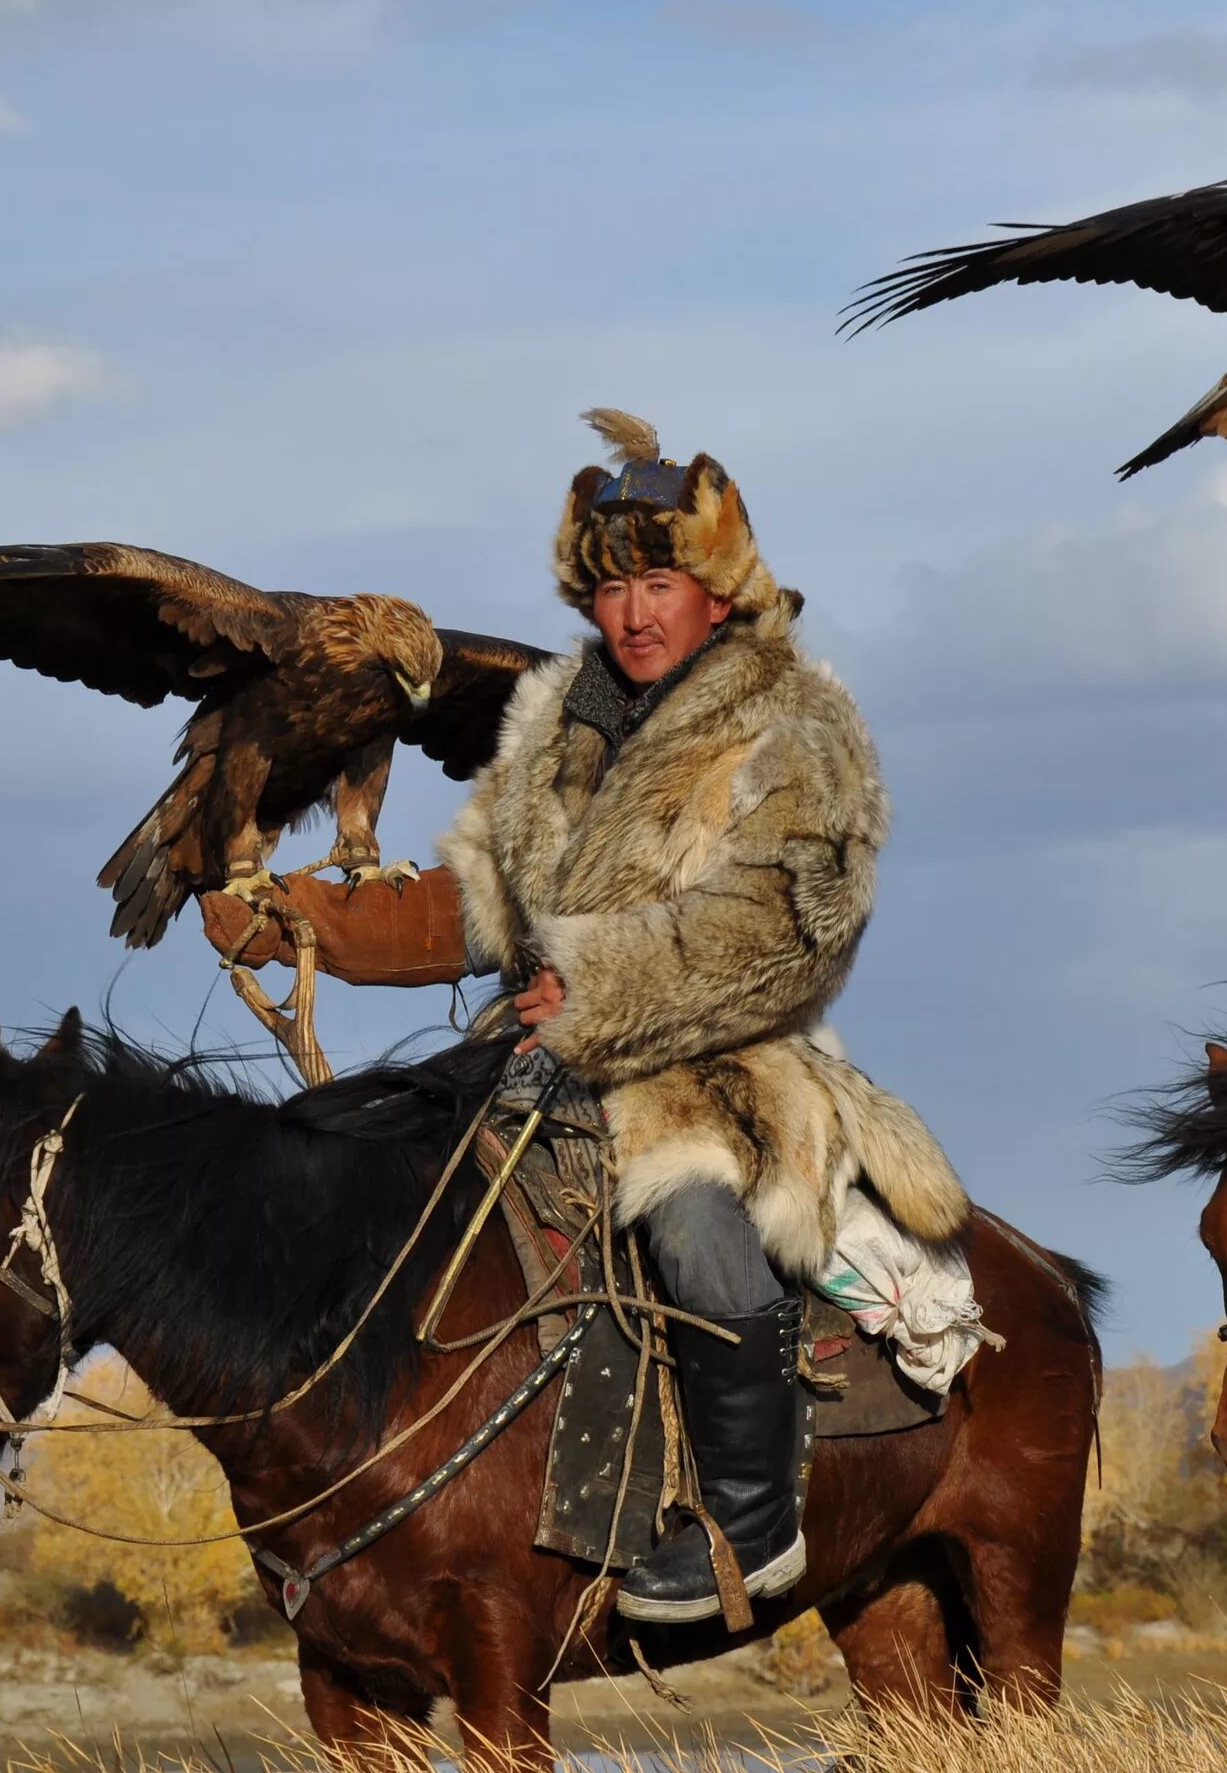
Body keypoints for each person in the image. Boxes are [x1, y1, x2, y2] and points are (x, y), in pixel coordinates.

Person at [428, 410, 969, 1621]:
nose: (633, 613)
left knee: (683, 1207)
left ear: (716, 590)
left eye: (659, 581)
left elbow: (785, 926)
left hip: (718, 1064)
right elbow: (474, 898)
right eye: (612, 587)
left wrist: (599, 989)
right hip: (532, 1058)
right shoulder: (555, 725)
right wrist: (307, 925)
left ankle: (751, 1519)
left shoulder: (796, 722)